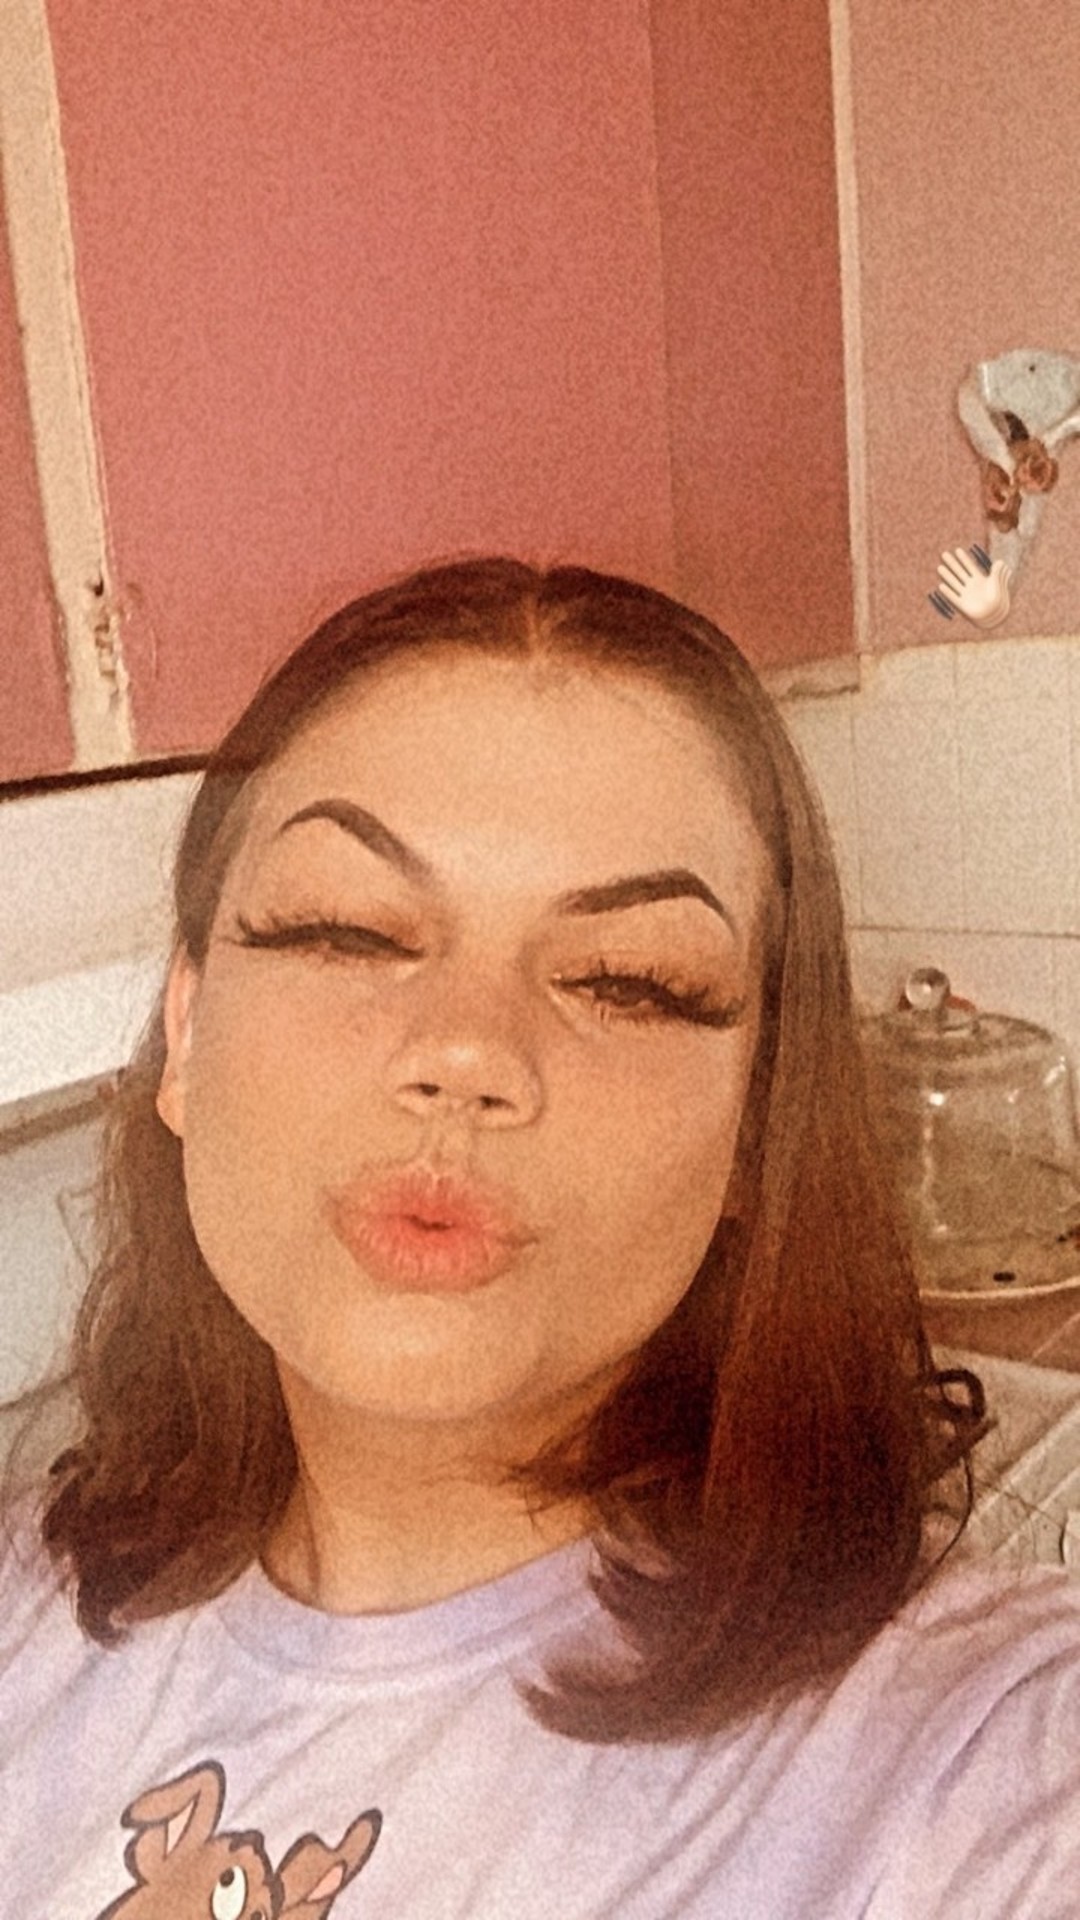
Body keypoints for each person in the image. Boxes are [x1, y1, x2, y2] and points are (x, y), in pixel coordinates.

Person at [0, 557, 1076, 1918]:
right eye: (345, 931)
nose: (465, 1050)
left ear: (757, 1129)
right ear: (188, 1029)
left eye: (628, 982)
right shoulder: (26, 1608)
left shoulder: (981, 1760)